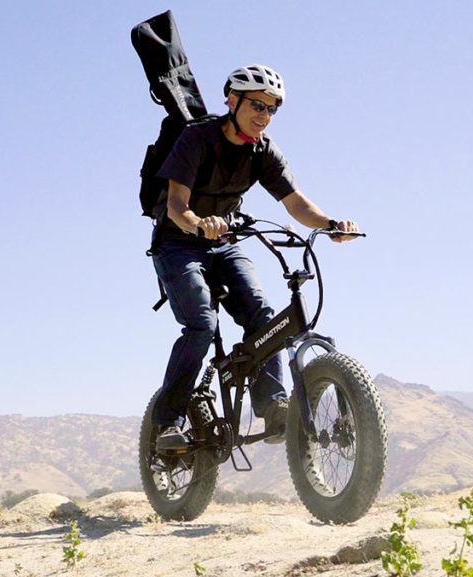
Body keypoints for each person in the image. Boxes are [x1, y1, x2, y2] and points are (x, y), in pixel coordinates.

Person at [150, 64, 358, 452]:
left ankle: (274, 405)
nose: (263, 115)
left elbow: (295, 203)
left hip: (224, 241)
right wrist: (198, 223)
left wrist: (330, 224)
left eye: (271, 109)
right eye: (257, 105)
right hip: (177, 242)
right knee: (201, 323)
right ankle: (167, 422)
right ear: (232, 101)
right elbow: (177, 205)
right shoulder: (197, 139)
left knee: (263, 317)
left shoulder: (263, 151)